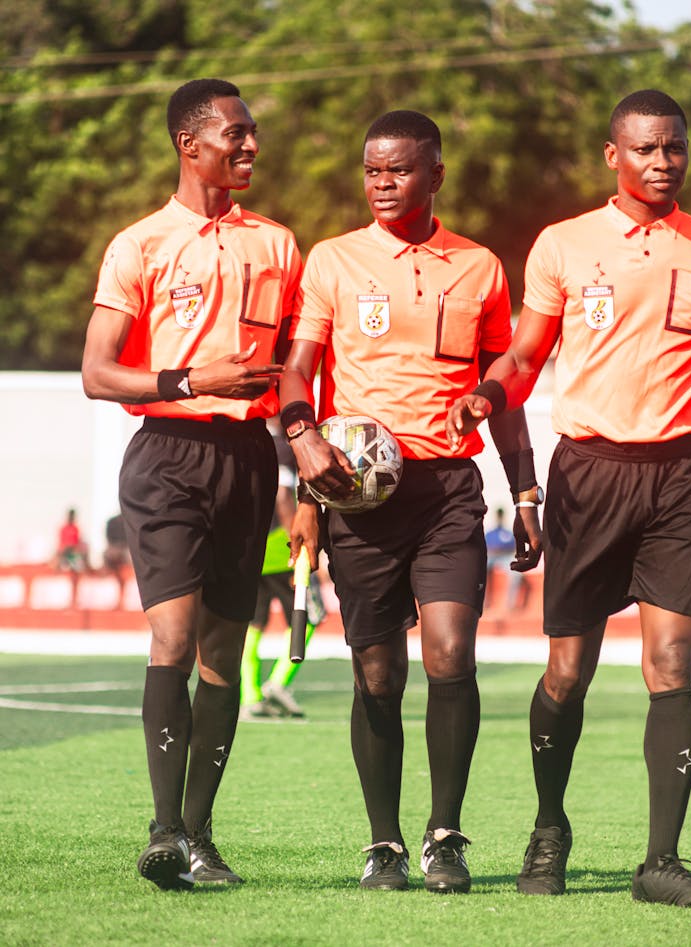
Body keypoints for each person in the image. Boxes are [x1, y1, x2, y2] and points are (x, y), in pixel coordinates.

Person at [447, 89, 691, 907]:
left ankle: (662, 858)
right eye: (647, 149)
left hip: (684, 475)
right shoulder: (563, 245)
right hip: (588, 475)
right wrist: (490, 391)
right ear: (612, 155)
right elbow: (526, 351)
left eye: (675, 149)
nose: (663, 163)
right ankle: (549, 825)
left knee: (670, 663)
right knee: (569, 668)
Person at [280, 110, 543, 893]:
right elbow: (297, 372)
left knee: (451, 653)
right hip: (355, 496)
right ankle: (384, 842)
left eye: (398, 170)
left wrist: (525, 489)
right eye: (371, 171)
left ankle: (445, 835)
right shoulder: (333, 260)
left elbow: (508, 387)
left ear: (435, 173)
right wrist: (302, 450)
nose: (382, 183)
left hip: (449, 490)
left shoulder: (481, 266)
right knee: (377, 675)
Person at [81, 78, 302, 891]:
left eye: (251, 135)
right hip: (165, 452)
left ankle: (202, 834)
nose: (249, 147)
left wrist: (304, 480)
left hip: (248, 460)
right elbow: (97, 372)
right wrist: (187, 379)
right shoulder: (138, 243)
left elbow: (296, 372)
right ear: (190, 142)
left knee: (222, 652)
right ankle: (163, 827)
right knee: (171, 637)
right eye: (235, 134)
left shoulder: (278, 245)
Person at [240, 419, 326, 720]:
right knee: (312, 614)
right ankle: (278, 681)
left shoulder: (248, 444)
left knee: (252, 624)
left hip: (251, 547)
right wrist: (299, 539)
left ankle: (250, 696)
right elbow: (282, 495)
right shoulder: (284, 448)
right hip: (281, 547)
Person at [484, 507, 525, 611]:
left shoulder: (508, 533)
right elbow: (485, 548)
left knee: (516, 573)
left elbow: (514, 549)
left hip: (505, 557)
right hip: (491, 557)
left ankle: (510, 604)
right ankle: (483, 603)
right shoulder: (490, 533)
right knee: (479, 570)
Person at [54, 508, 90, 572]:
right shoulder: (63, 528)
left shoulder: (76, 528)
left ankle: (86, 569)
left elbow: (78, 542)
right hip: (64, 552)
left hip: (74, 552)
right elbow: (62, 544)